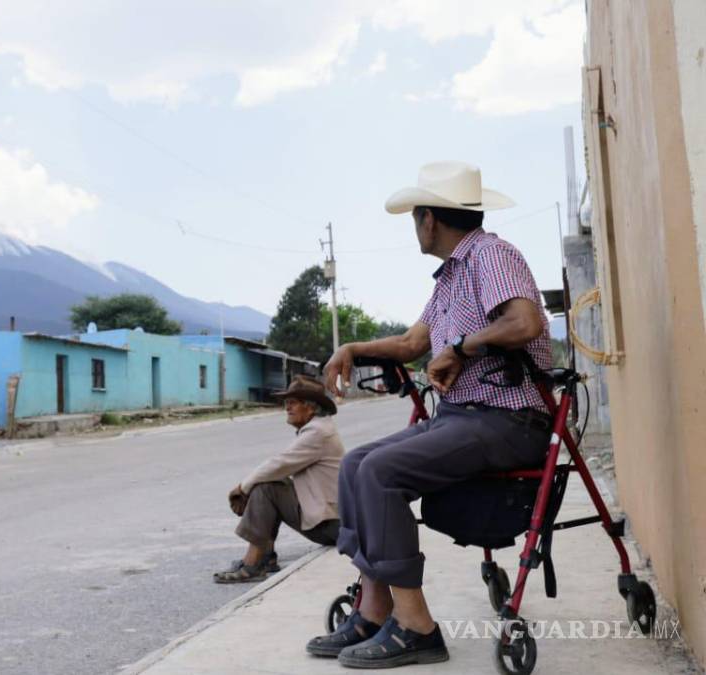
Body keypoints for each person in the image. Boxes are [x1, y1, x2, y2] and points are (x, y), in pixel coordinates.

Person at [306, 161, 553, 668]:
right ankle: (374, 610)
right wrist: (353, 347)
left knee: (380, 471)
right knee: (355, 465)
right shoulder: (450, 277)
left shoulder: (490, 255)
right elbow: (412, 342)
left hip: (508, 419)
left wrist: (461, 348)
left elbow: (525, 322)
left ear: (428, 219)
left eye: (414, 218)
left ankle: (417, 627)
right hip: (463, 417)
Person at [213, 376, 343, 584]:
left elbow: (279, 464)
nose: (287, 408)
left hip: (330, 525)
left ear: (311, 407)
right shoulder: (319, 428)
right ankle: (266, 557)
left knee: (266, 488)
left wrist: (243, 488)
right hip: (332, 521)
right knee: (271, 484)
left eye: (293, 403)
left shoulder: (318, 432)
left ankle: (253, 563)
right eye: (286, 403)